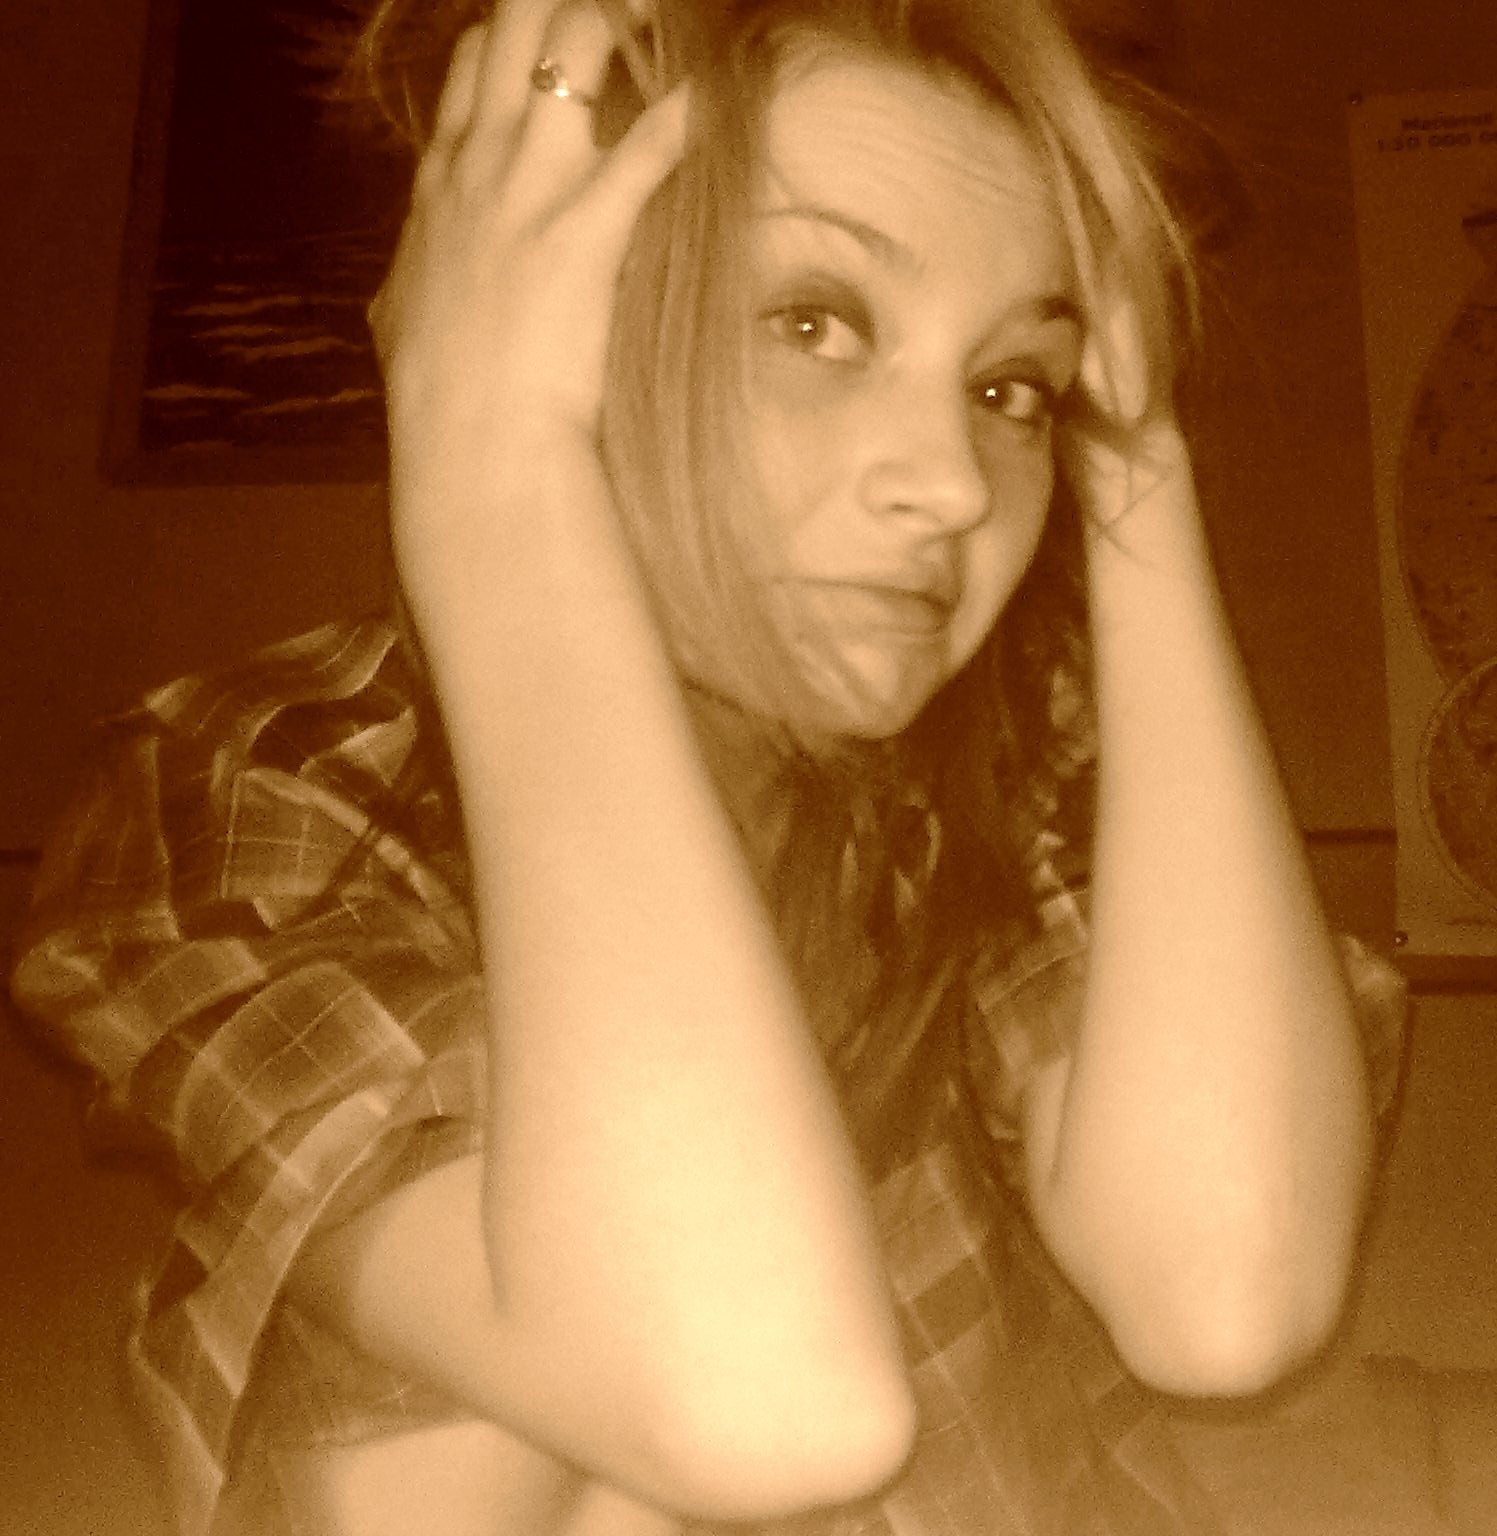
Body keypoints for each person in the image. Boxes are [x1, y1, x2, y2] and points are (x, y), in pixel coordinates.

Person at [8, 0, 1443, 1532]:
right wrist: (490, 459)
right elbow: (754, 1396)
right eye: (812, 322)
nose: (956, 486)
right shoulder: (279, 784)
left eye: (1009, 386)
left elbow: (1225, 1293)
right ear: (548, 306)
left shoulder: (1003, 761)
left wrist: (1133, 454)